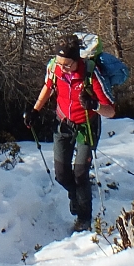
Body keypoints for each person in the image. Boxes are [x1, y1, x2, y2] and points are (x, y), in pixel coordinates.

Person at [27, 34, 117, 232]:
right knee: (61, 174)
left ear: (78, 60)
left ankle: (84, 219)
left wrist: (94, 105)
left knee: (81, 173)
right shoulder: (55, 69)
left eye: (67, 64)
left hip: (87, 126)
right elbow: (48, 87)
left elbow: (110, 111)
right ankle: (75, 197)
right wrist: (35, 110)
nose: (63, 68)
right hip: (63, 123)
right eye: (60, 64)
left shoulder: (91, 75)